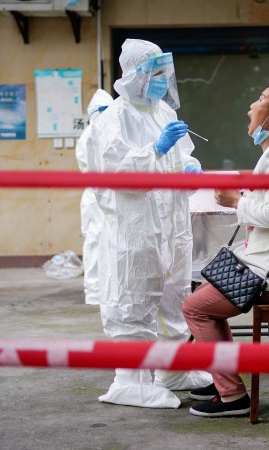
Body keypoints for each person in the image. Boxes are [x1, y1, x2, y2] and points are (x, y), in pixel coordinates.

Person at [87, 39, 211, 408]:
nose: (162, 81)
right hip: (135, 225)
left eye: (164, 74)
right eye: (155, 74)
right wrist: (154, 150)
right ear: (136, 74)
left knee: (176, 295)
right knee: (134, 296)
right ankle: (130, 380)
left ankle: (173, 369)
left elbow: (183, 153)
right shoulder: (115, 117)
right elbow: (115, 176)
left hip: (172, 222)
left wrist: (190, 167)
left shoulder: (163, 113)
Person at [183, 80, 269, 418]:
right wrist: (244, 194)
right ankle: (223, 378)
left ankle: (232, 395)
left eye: (258, 99)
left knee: (195, 308)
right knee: (207, 294)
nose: (249, 107)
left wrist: (236, 200)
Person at [75, 88, 113, 305]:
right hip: (95, 195)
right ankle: (94, 293)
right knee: (95, 242)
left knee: (105, 242)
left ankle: (103, 291)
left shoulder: (103, 133)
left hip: (105, 194)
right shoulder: (91, 135)